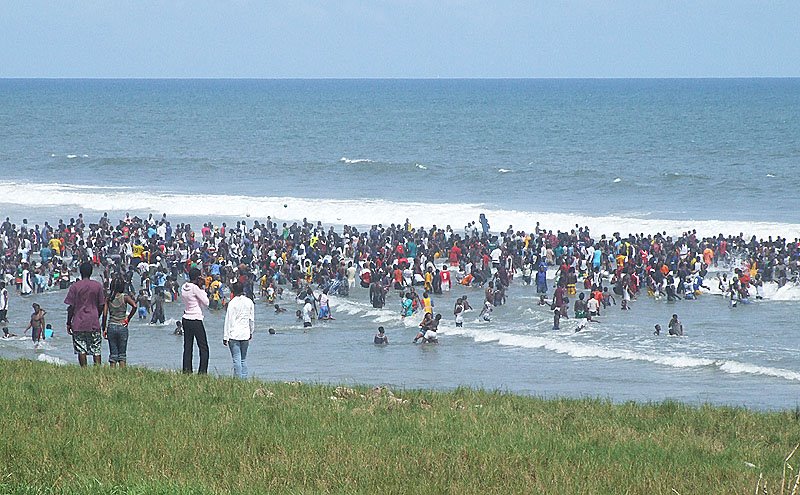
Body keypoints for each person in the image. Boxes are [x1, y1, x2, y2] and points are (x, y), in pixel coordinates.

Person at [64, 262, 106, 367]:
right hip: (93, 321)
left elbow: (71, 307)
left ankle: (84, 370)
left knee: (81, 348)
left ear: (80, 272)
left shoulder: (75, 287)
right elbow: (102, 305)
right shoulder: (98, 286)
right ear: (91, 272)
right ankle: (98, 370)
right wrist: (97, 315)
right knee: (96, 349)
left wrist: (68, 322)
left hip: (78, 321)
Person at [101, 277, 137, 367]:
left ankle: (113, 373)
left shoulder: (108, 298)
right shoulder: (125, 297)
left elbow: (105, 314)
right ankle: (122, 374)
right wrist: (128, 318)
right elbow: (135, 306)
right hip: (122, 326)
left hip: (111, 326)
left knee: (113, 354)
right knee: (122, 354)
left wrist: (104, 328)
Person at [223, 282, 255, 379]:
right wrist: (251, 331)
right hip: (245, 333)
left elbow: (228, 320)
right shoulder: (249, 301)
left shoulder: (232, 303)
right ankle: (244, 379)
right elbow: (251, 319)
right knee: (243, 359)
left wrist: (225, 336)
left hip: (234, 334)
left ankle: (238, 380)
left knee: (236, 359)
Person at [181, 267, 210, 374]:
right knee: (203, 347)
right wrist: (202, 288)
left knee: (188, 346)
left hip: (186, 318)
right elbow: (206, 302)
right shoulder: (196, 288)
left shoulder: (184, 287)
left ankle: (187, 371)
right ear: (198, 278)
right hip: (196, 319)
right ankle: (202, 372)